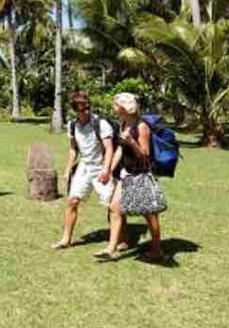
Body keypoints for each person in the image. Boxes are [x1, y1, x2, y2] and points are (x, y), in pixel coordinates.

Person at [95, 92, 167, 261]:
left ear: (124, 108)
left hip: (141, 174)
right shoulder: (123, 123)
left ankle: (157, 250)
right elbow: (120, 149)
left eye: (116, 104)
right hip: (126, 174)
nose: (114, 107)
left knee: (149, 213)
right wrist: (108, 170)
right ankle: (111, 248)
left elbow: (145, 154)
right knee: (114, 208)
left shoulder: (141, 127)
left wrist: (132, 142)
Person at [51, 90, 115, 250]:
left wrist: (106, 170)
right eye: (81, 109)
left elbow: (109, 148)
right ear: (75, 110)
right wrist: (67, 169)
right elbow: (74, 149)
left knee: (112, 205)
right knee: (72, 201)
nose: (85, 111)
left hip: (101, 167)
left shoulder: (100, 124)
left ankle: (120, 238)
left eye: (87, 107)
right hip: (84, 167)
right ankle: (66, 239)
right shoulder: (72, 125)